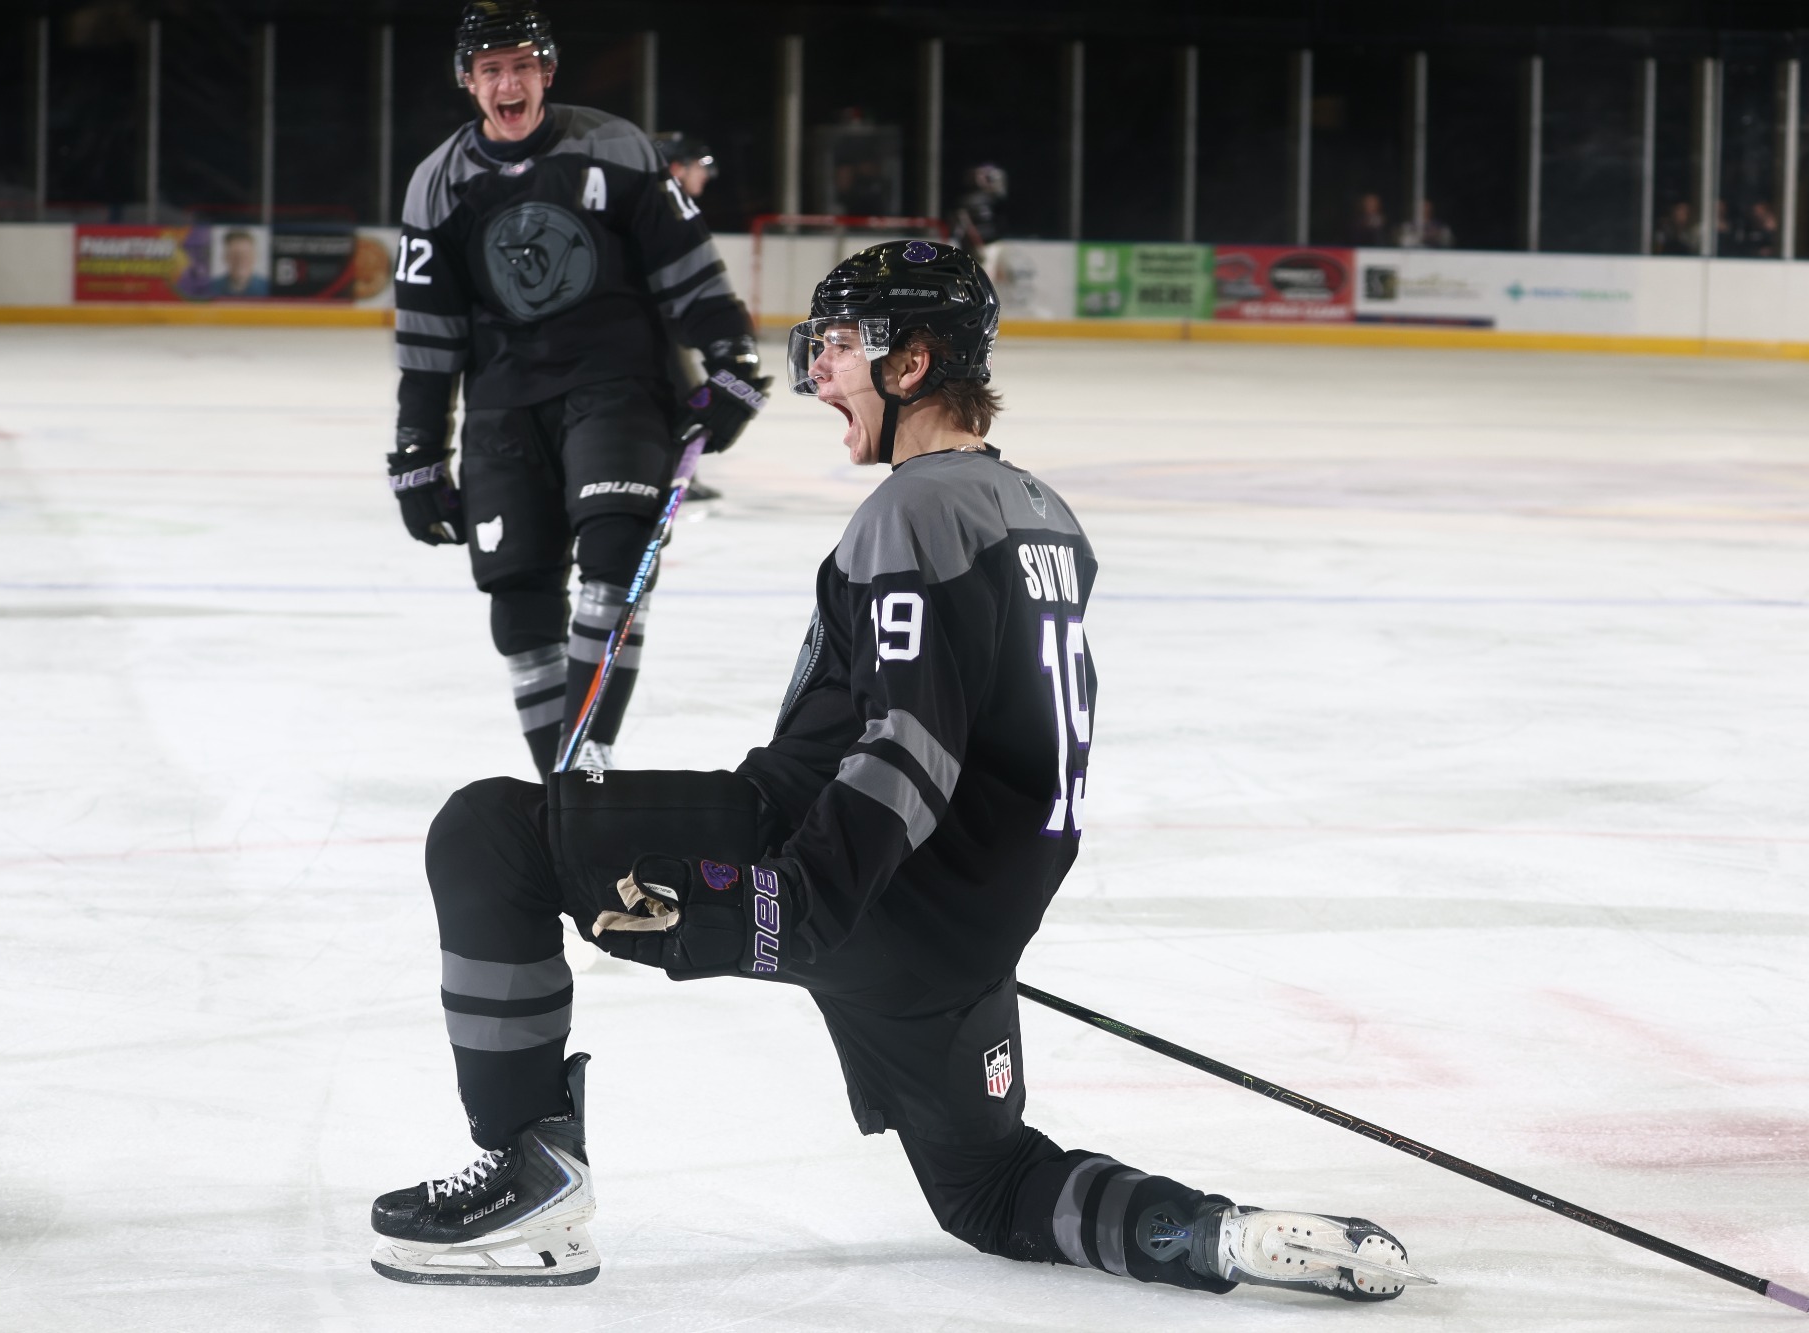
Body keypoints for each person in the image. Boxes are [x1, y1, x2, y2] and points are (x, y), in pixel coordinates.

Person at [366, 239, 1430, 1306]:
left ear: (909, 362)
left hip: (831, 860)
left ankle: (529, 1178)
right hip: (952, 931)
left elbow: (907, 743)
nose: (818, 372)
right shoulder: (1044, 516)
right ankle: (1213, 1236)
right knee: (989, 1187)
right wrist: (957, 936)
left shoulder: (916, 506)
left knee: (488, 834)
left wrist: (791, 902)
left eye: (834, 347)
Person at [387, 2, 769, 779]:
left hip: (616, 388)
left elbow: (686, 266)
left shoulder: (615, 147)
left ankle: (582, 765)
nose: (508, 82)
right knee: (518, 592)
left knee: (616, 554)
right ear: (468, 82)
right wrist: (419, 449)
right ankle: (568, 790)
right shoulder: (437, 185)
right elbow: (428, 337)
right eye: (490, 69)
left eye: (522, 65)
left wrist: (728, 355)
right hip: (503, 408)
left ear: (547, 73)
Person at [651, 130, 727, 503]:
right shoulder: (664, 208)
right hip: (652, 326)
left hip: (660, 325)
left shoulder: (670, 206)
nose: (705, 176)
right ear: (676, 168)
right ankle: (674, 476)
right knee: (685, 396)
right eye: (699, 166)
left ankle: (677, 473)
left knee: (685, 394)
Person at [217, 229, 269, 297]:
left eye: (246, 254)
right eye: (235, 254)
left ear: (255, 257)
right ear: (225, 257)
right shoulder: (211, 287)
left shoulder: (267, 287)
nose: (240, 260)